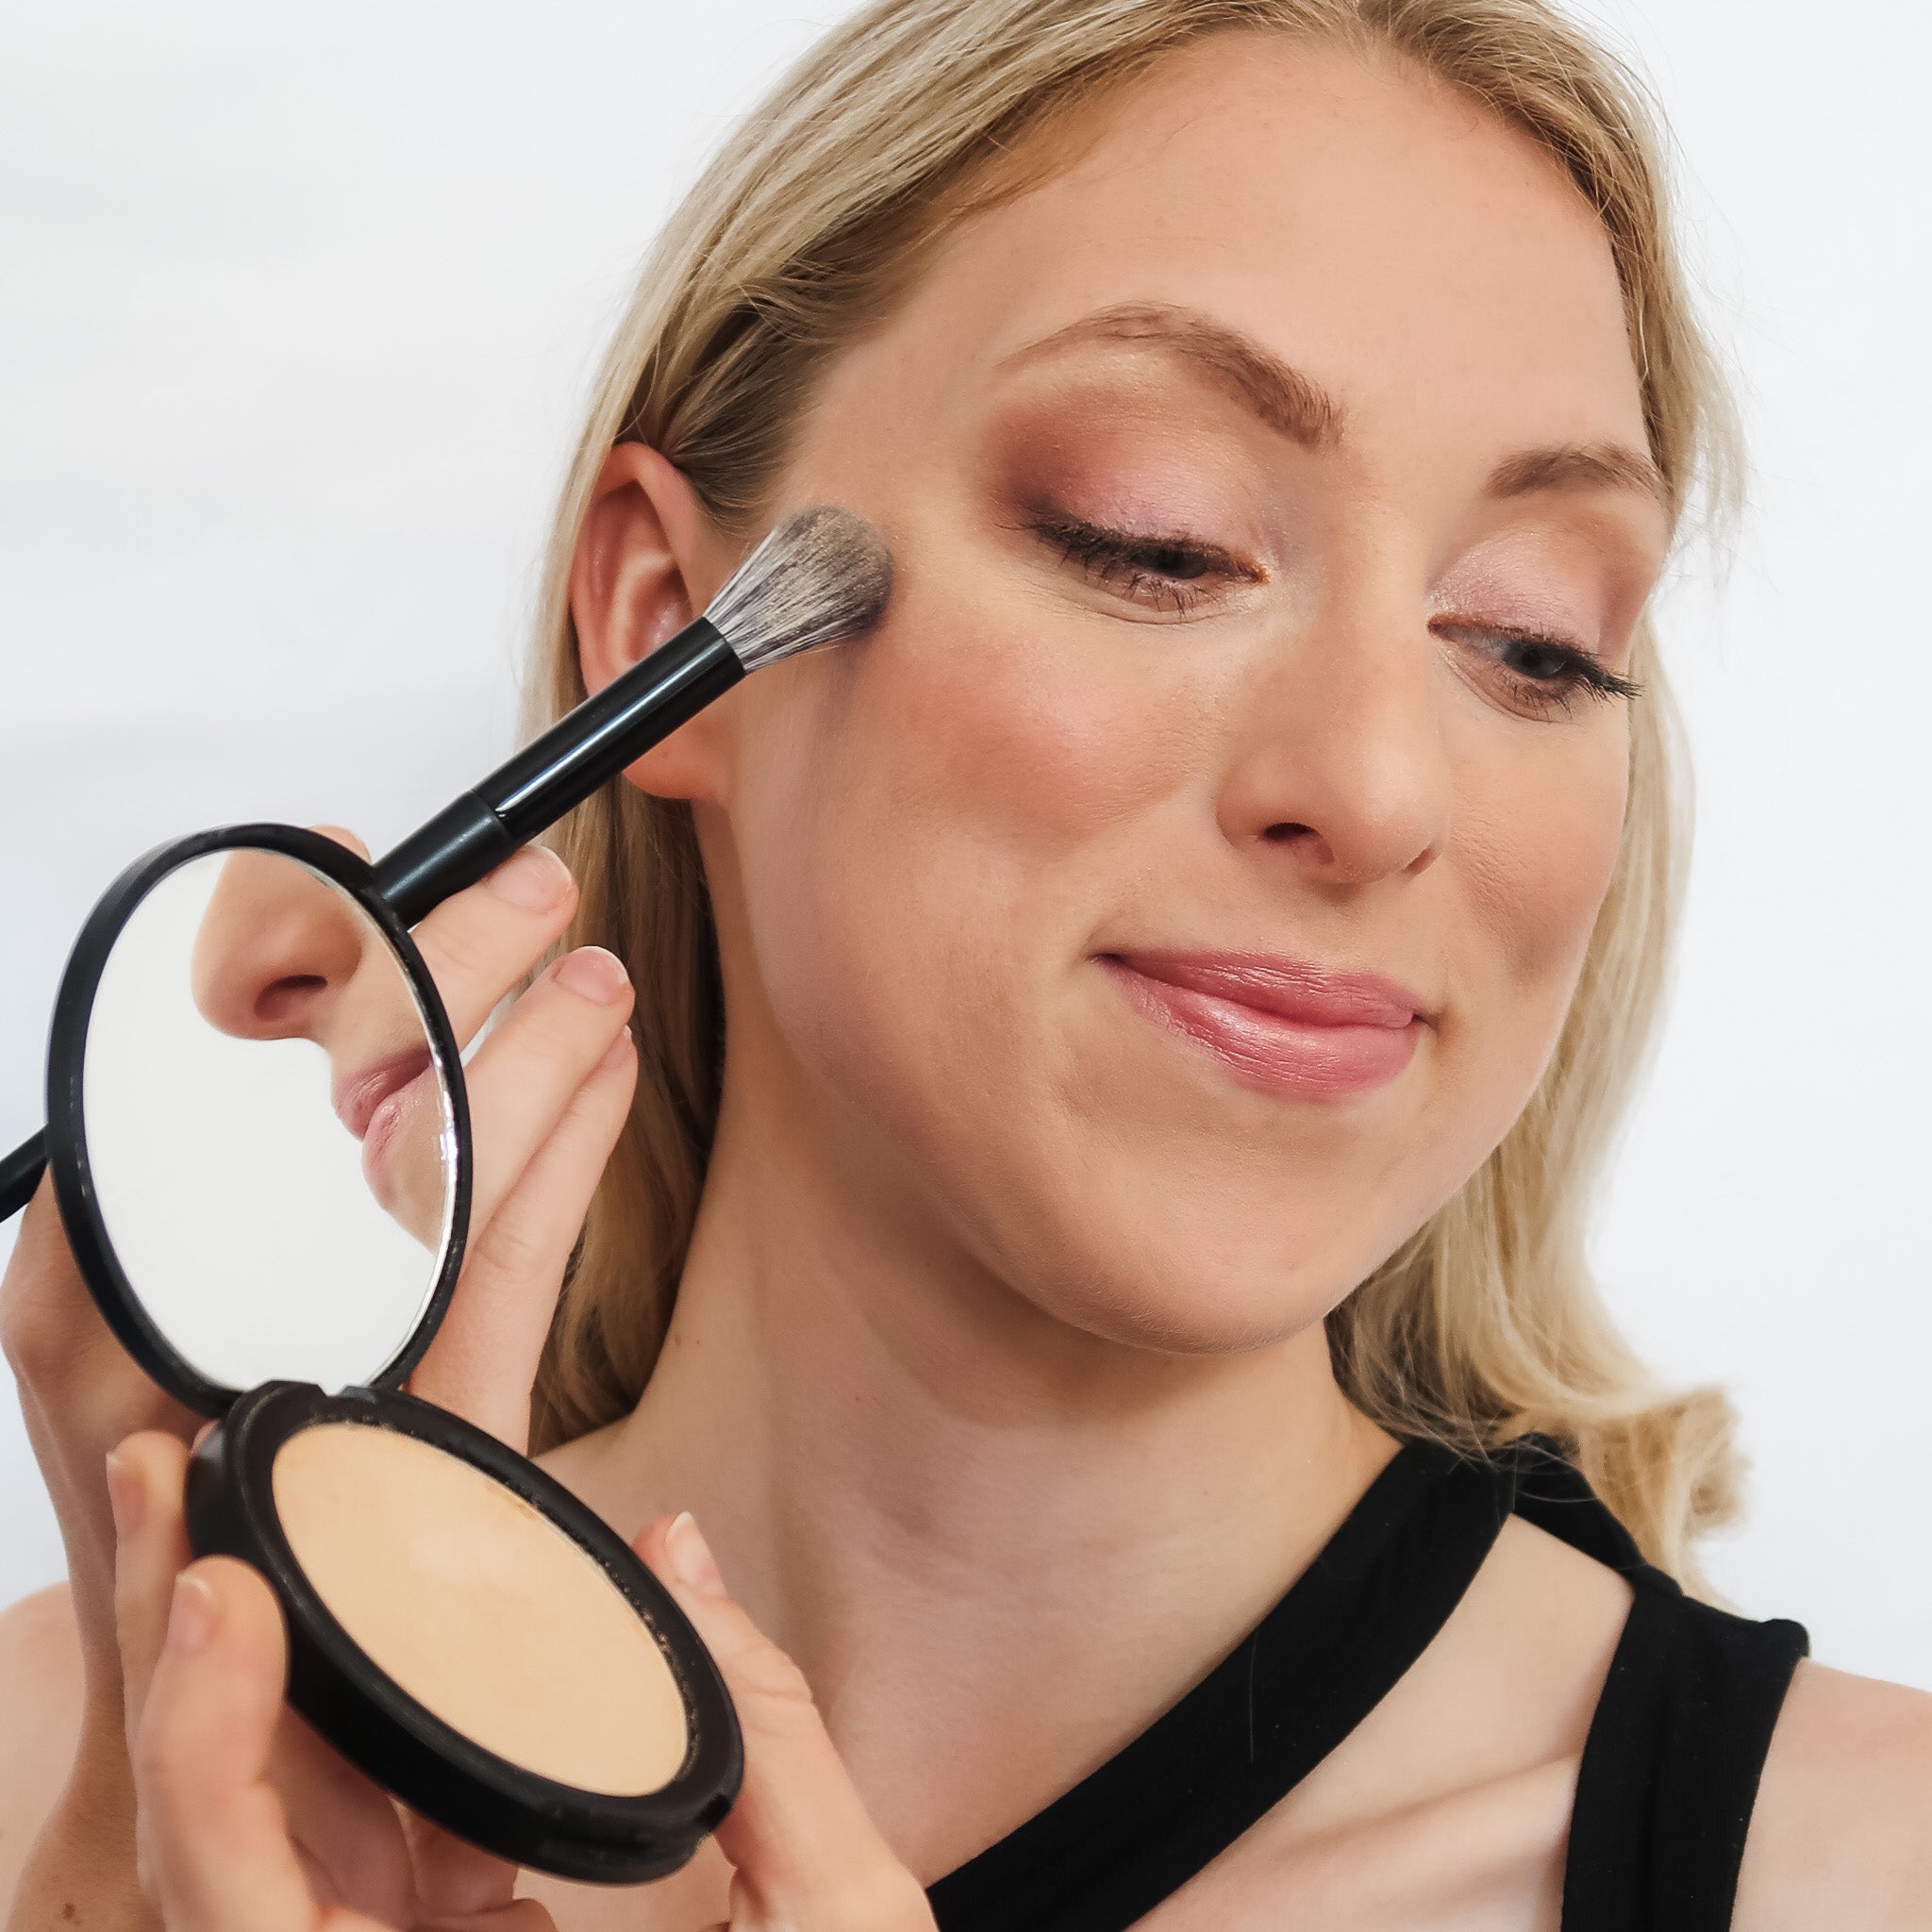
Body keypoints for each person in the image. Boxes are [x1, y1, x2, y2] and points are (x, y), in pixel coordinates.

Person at [4, 0, 1930, 1924]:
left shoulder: (1862, 1868)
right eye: (1155, 543)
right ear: (671, 628)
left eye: (1529, 639)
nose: (1373, 782)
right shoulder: (47, 1782)